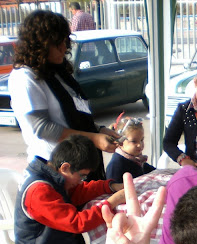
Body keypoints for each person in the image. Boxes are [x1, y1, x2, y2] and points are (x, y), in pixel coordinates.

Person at [9, 10, 118, 179]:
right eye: (56, 43)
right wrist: (94, 139)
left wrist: (100, 130)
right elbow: (43, 128)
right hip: (54, 169)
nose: (63, 48)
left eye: (64, 41)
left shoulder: (57, 72)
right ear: (39, 45)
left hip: (79, 166)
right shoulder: (25, 77)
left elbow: (76, 116)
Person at [106, 116, 155, 183]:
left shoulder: (135, 158)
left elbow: (151, 170)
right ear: (120, 142)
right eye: (134, 141)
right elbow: (114, 191)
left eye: (141, 140)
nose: (139, 145)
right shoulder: (115, 166)